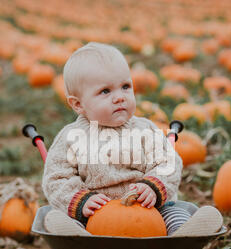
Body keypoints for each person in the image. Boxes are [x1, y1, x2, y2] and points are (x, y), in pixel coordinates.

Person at [42, 42, 196, 235]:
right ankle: (75, 237)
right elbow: (56, 178)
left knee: (174, 214)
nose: (119, 97)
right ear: (78, 104)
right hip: (95, 218)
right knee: (70, 224)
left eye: (125, 87)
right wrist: (80, 200)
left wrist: (153, 186)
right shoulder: (72, 138)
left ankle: (183, 233)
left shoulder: (145, 130)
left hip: (149, 211)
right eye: (105, 91)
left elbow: (168, 162)